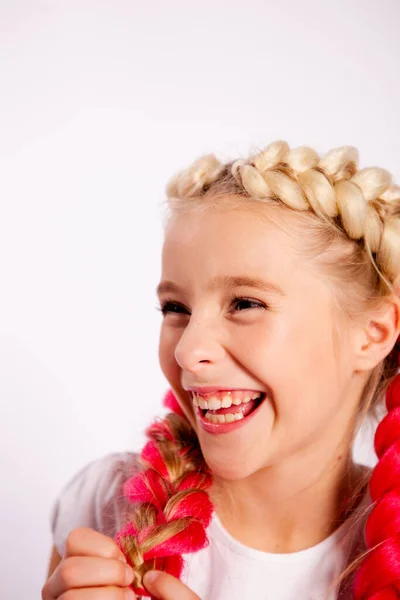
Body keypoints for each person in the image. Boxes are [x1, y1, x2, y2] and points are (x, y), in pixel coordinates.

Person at [42, 141, 400, 600]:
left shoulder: (381, 552)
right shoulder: (107, 506)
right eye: (176, 307)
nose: (189, 350)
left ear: (372, 333)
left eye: (246, 303)